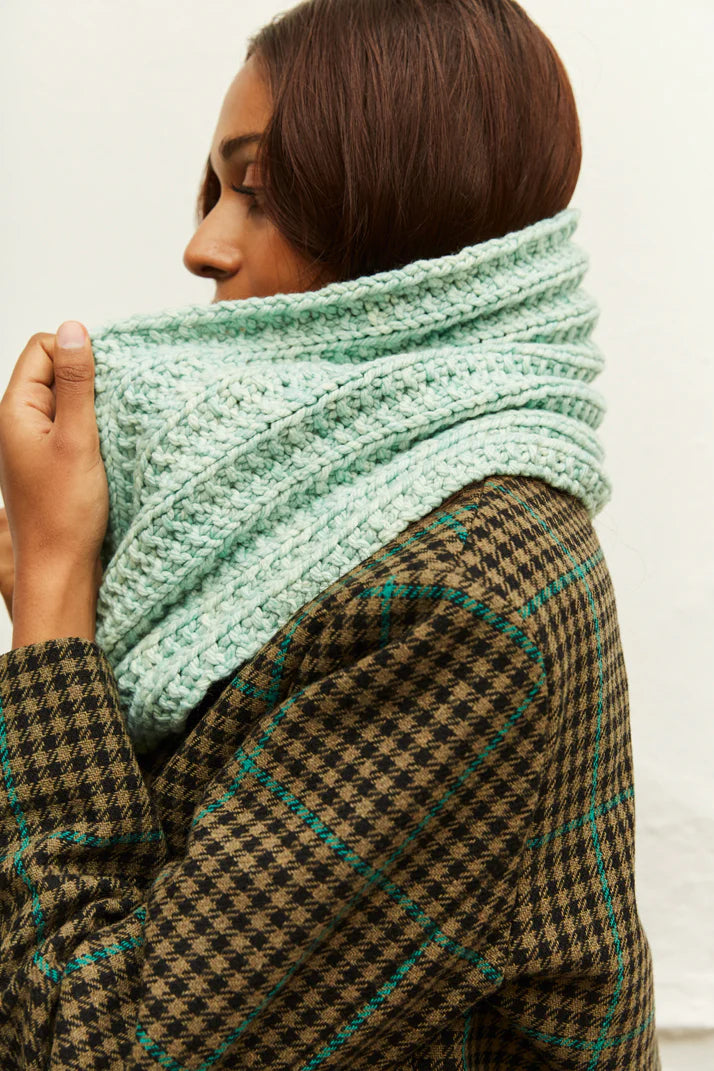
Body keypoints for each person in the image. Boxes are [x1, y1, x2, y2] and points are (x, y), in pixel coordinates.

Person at [0, 1, 660, 1068]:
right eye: (214, 191)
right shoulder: (322, 534)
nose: (203, 247)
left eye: (260, 193)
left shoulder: (455, 600)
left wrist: (54, 596)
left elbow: (100, 1051)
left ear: (408, 214)